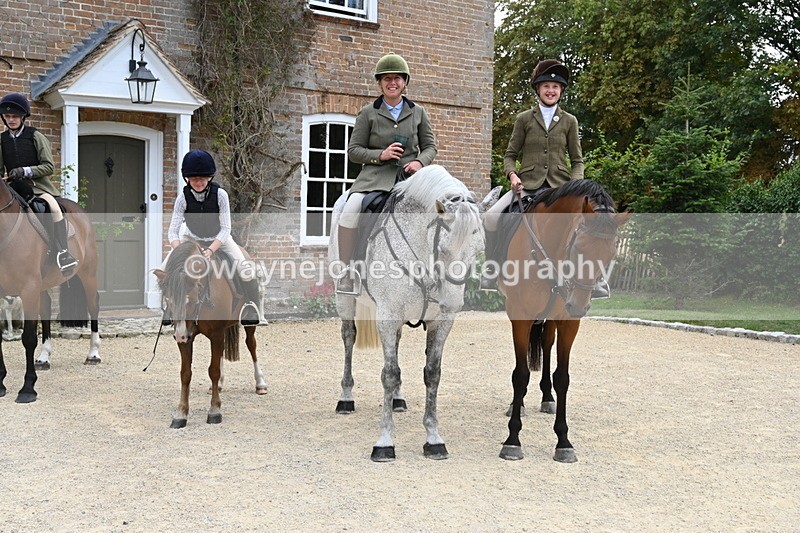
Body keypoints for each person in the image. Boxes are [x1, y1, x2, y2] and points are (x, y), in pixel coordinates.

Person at [481, 59, 608, 297]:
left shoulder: (570, 121)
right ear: (538, 89)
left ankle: (597, 280)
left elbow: (577, 160)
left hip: (561, 188)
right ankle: (491, 268)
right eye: (546, 86)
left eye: (556, 87)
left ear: (561, 91)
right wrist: (513, 175)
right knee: (491, 217)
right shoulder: (524, 119)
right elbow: (510, 155)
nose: (551, 90)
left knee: (592, 223)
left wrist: (576, 185)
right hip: (527, 186)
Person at [337, 53, 438, 294]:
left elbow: (430, 147)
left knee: (438, 214)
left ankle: (436, 274)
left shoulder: (418, 113)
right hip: (373, 178)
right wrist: (380, 155)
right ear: (380, 83)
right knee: (350, 211)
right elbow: (353, 151)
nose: (392, 83)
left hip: (410, 180)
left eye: (397, 79)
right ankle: (348, 272)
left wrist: (419, 163)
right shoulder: (367, 113)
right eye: (387, 79)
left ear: (405, 82)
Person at [160, 149, 263, 326]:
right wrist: (180, 251)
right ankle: (170, 307)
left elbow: (226, 229)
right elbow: (172, 232)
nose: (198, 182)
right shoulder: (182, 199)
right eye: (193, 179)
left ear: (209, 177)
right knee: (163, 270)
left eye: (202, 178)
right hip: (191, 238)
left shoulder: (221, 196)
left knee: (246, 270)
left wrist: (210, 250)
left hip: (219, 239)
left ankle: (252, 308)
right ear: (187, 179)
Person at [0, 92, 78, 275]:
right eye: (8, 116)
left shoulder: (36, 136)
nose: (11, 120)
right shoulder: (2, 140)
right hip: (13, 188)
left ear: (23, 117)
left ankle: (62, 253)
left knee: (53, 208)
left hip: (37, 187)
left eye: (15, 116)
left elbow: (49, 167)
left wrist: (25, 171)